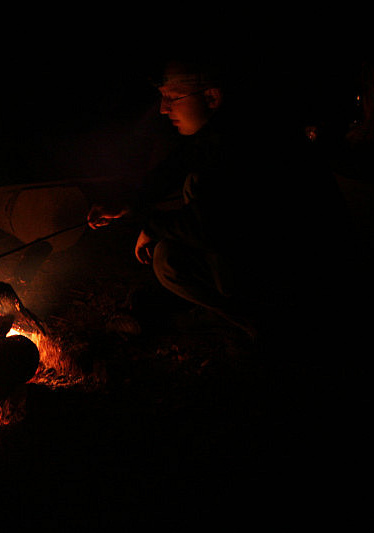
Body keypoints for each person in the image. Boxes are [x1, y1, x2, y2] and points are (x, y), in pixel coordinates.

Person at [88, 56, 351, 342]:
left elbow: (214, 229)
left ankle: (279, 327)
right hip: (277, 256)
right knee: (172, 248)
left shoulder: (248, 144)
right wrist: (128, 202)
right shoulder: (229, 128)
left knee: (171, 256)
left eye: (173, 97)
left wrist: (151, 224)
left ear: (212, 97)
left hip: (305, 269)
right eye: (162, 98)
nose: (164, 109)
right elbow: (177, 165)